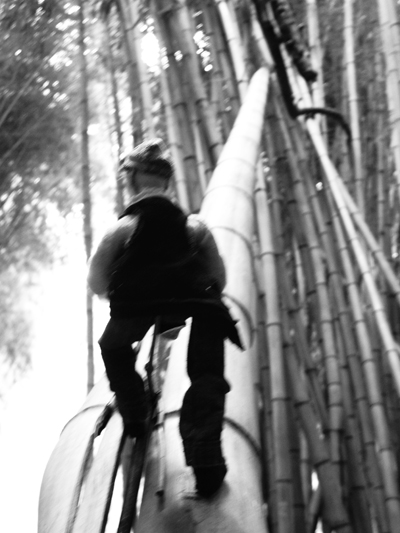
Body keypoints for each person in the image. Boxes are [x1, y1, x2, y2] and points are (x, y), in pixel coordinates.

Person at [87, 139, 242, 497]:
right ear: (167, 182)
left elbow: (97, 282)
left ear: (133, 181)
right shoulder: (195, 227)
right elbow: (219, 278)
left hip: (137, 308)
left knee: (113, 346)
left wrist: (125, 295)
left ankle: (136, 411)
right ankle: (206, 459)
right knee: (207, 373)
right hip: (193, 306)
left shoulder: (121, 230)